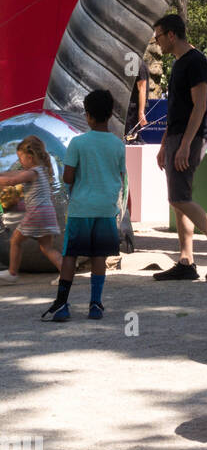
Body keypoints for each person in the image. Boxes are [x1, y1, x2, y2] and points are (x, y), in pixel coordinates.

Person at [43, 89, 127, 322]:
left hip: (81, 209)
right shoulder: (118, 145)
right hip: (106, 209)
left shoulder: (78, 143)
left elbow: (68, 178)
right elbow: (120, 175)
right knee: (99, 256)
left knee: (70, 254)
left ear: (87, 116)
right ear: (110, 114)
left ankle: (62, 304)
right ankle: (96, 304)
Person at [152, 14, 207, 281]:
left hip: (190, 138)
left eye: (158, 36)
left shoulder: (196, 61)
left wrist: (184, 146)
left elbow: (200, 106)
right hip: (177, 137)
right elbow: (176, 112)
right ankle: (186, 261)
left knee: (178, 198)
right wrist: (164, 146)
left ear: (171, 34)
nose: (156, 42)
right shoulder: (179, 64)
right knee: (178, 197)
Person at [0, 136, 62, 281]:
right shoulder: (41, 170)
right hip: (47, 213)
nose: (19, 162)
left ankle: (12, 273)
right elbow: (12, 174)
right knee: (47, 248)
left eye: (20, 158)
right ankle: (65, 274)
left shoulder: (33, 173)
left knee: (15, 240)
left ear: (30, 157)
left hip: (37, 213)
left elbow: (12, 181)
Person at [124, 57, 150, 143]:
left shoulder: (138, 65)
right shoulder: (133, 63)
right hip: (132, 109)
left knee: (131, 139)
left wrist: (141, 112)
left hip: (134, 110)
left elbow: (142, 88)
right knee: (130, 139)